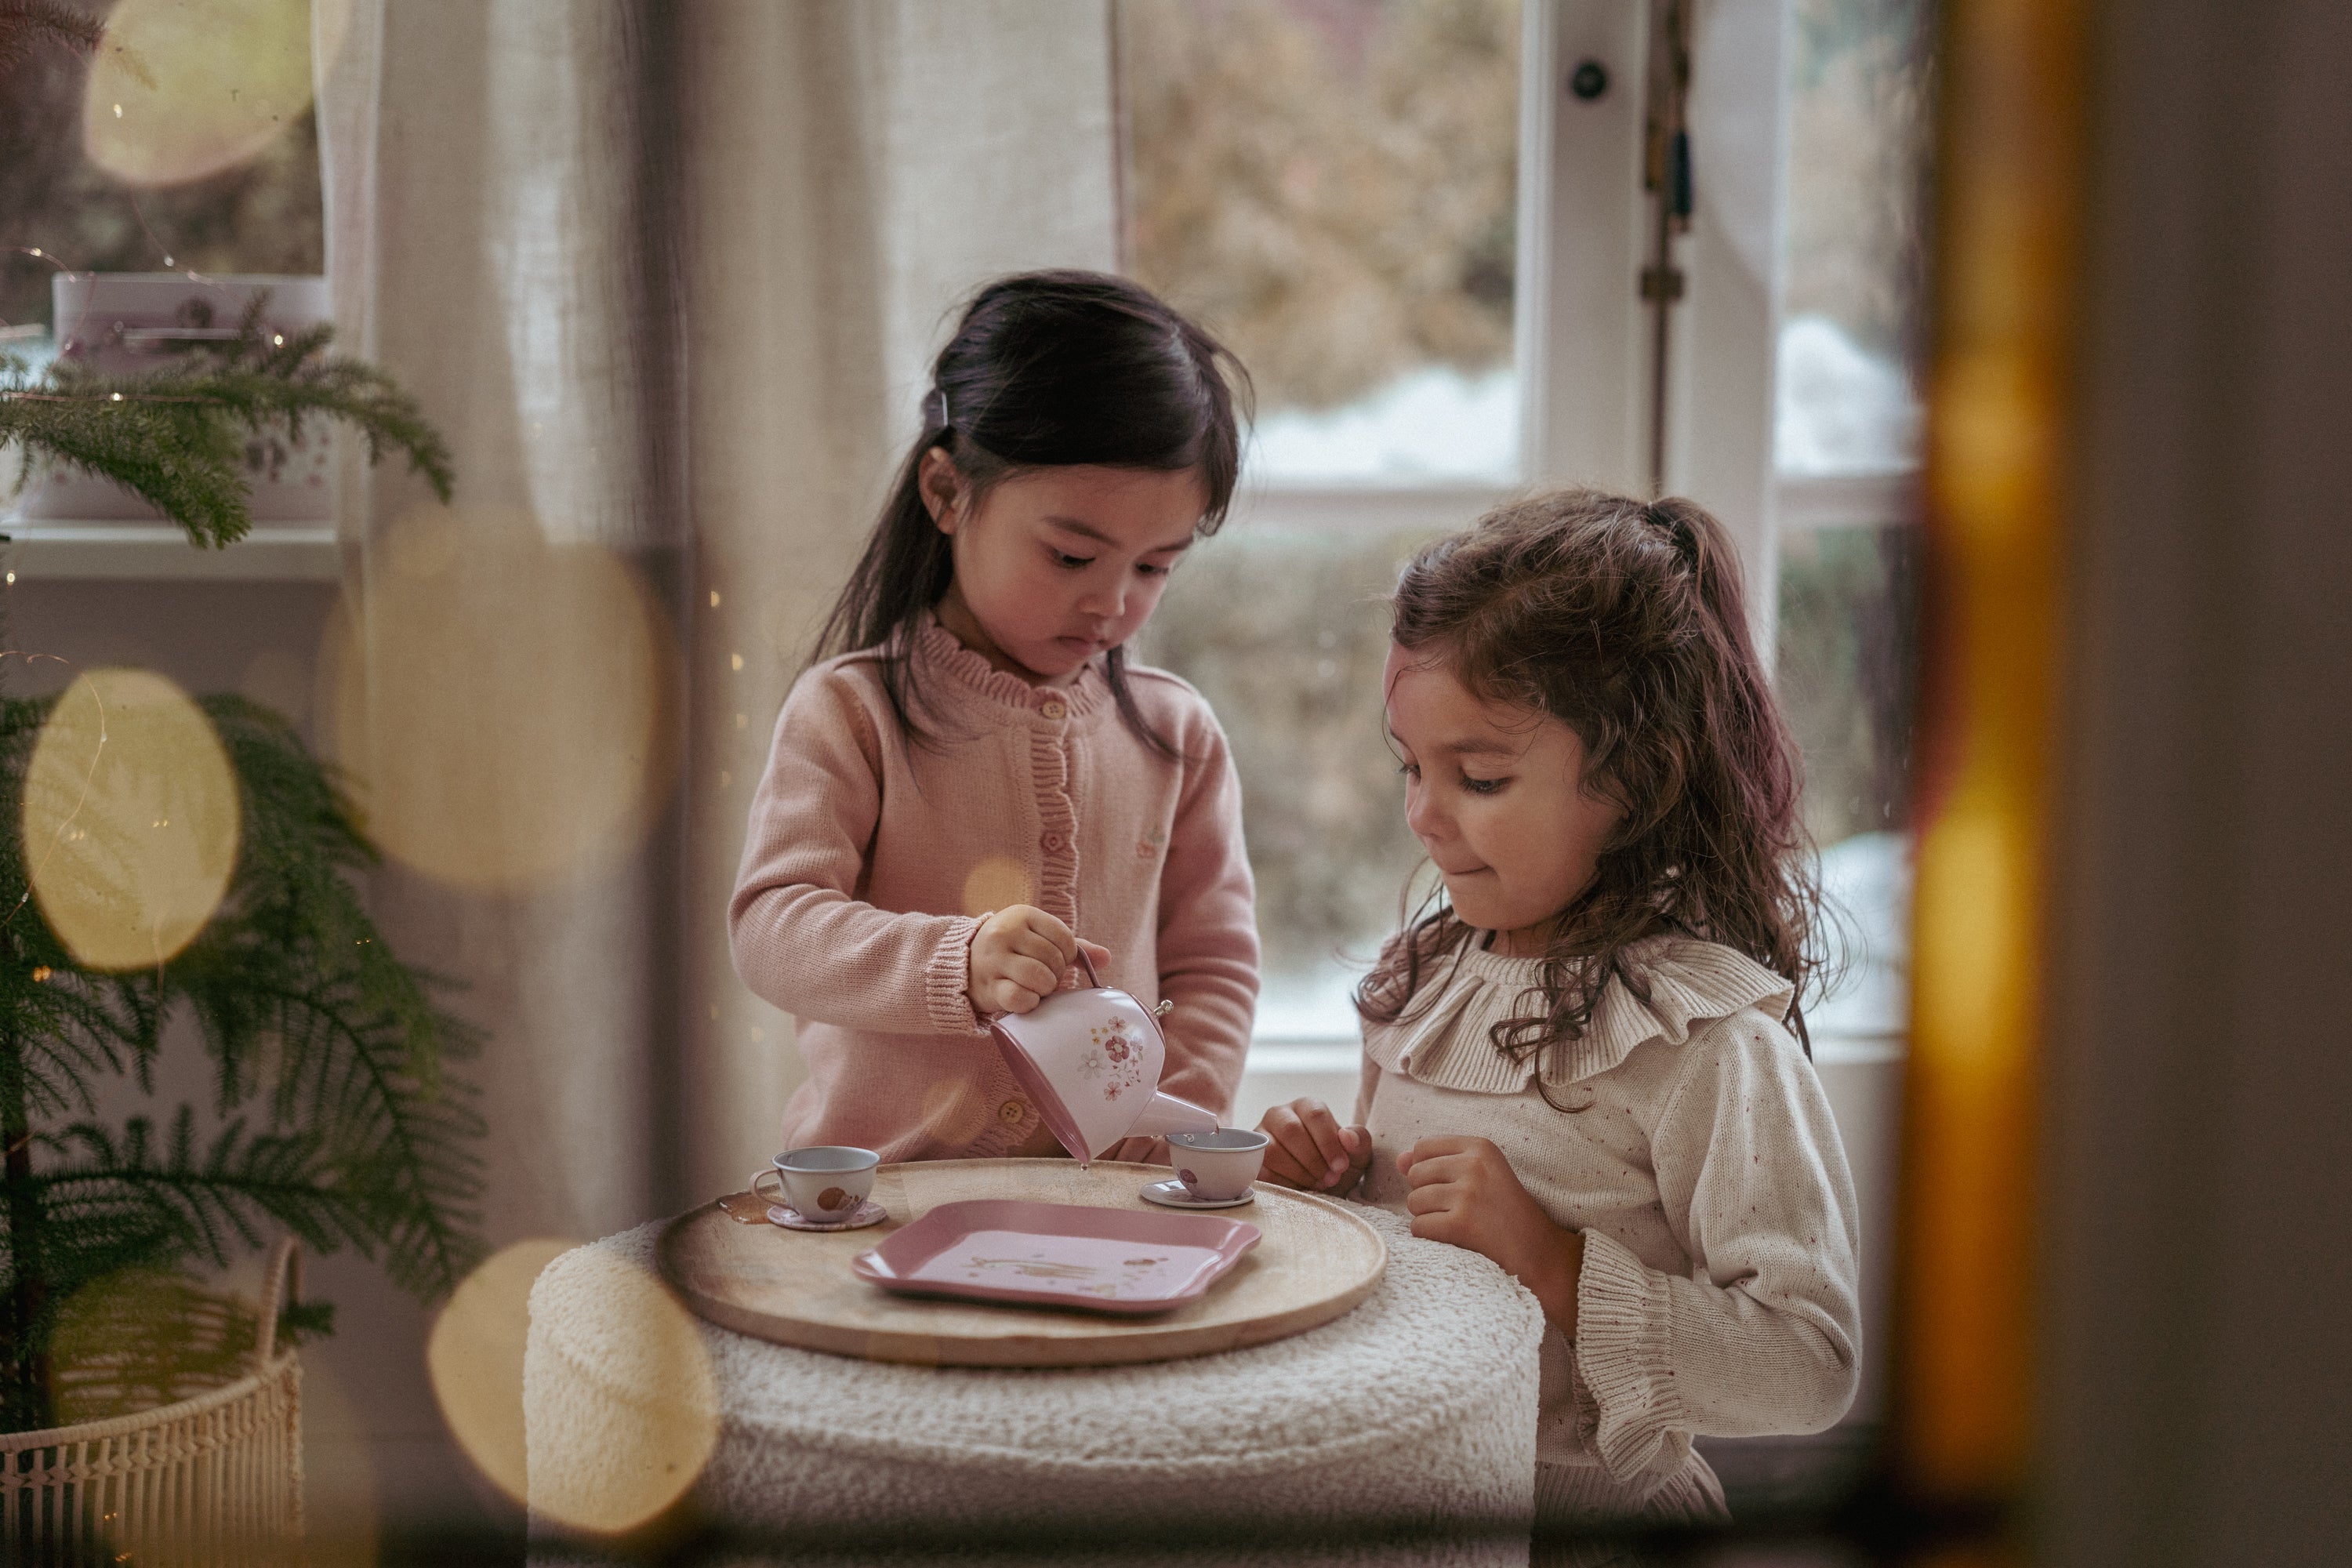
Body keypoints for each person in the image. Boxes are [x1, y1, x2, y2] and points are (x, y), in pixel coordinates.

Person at [1258, 491, 1862, 1544]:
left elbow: (1809, 1366)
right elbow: (1418, 1250)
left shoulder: (1706, 1042)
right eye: (1411, 767)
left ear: (1631, 778)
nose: (1423, 816)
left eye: (1479, 777)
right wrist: (1336, 1191)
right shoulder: (1429, 982)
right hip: (1416, 1512)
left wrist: (1559, 1265)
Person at [731, 270, 1259, 1166]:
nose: (1113, 601)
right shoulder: (852, 712)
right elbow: (773, 930)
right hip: (882, 1200)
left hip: (1108, 1202)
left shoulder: (1176, 733)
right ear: (945, 493)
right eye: (1072, 553)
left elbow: (1212, 967)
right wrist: (954, 963)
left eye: (1155, 566)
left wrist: (1170, 1118)